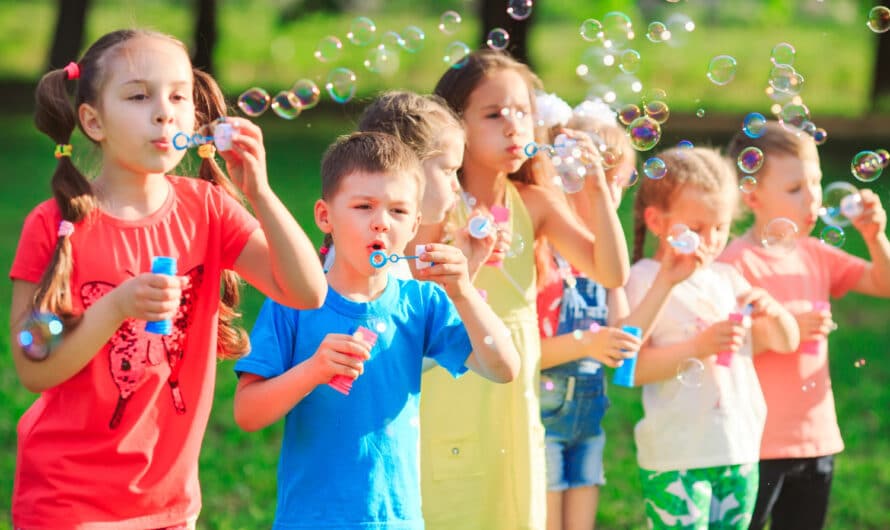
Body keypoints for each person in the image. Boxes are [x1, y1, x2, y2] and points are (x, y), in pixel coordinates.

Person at [8, 29, 327, 529]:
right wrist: (114, 308)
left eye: (179, 96)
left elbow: (307, 292)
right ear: (92, 121)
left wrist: (260, 193)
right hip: (66, 502)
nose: (165, 111)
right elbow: (34, 368)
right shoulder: (54, 227)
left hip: (168, 503)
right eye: (138, 96)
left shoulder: (208, 210)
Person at [231, 131, 520, 530]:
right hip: (311, 519)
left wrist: (465, 292)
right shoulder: (292, 301)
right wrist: (313, 370)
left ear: (416, 223)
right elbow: (246, 413)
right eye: (364, 206)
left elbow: (503, 368)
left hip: (396, 518)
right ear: (324, 216)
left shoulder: (422, 302)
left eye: (399, 212)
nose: (381, 222)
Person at [419, 49, 630, 530]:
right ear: (456, 125)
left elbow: (611, 273)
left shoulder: (533, 202)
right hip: (453, 380)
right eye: (494, 114)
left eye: (524, 113)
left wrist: (596, 193)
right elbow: (412, 296)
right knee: (454, 500)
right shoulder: (435, 208)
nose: (515, 125)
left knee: (511, 503)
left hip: (516, 390)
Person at [720, 122, 890, 530]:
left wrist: (876, 236)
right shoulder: (735, 264)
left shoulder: (816, 253)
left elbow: (884, 284)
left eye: (816, 182)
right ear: (752, 195)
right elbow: (722, 347)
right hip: (753, 442)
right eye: (795, 189)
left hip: (816, 438)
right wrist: (784, 328)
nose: (812, 197)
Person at [622, 146, 798, 529]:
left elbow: (785, 342)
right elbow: (629, 368)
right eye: (697, 228)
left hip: (739, 447)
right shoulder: (644, 281)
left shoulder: (727, 280)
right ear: (656, 221)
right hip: (678, 456)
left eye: (719, 227)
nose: (712, 239)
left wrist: (776, 312)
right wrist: (698, 347)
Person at [533, 95, 642, 530]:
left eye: (615, 182)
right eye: (594, 181)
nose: (608, 193)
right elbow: (528, 350)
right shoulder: (548, 260)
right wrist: (588, 343)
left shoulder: (605, 264)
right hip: (542, 424)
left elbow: (623, 337)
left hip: (588, 424)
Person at [320, 91, 490, 277]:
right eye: (448, 171)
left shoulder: (379, 253)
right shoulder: (372, 263)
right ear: (408, 168)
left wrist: (469, 268)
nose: (456, 186)